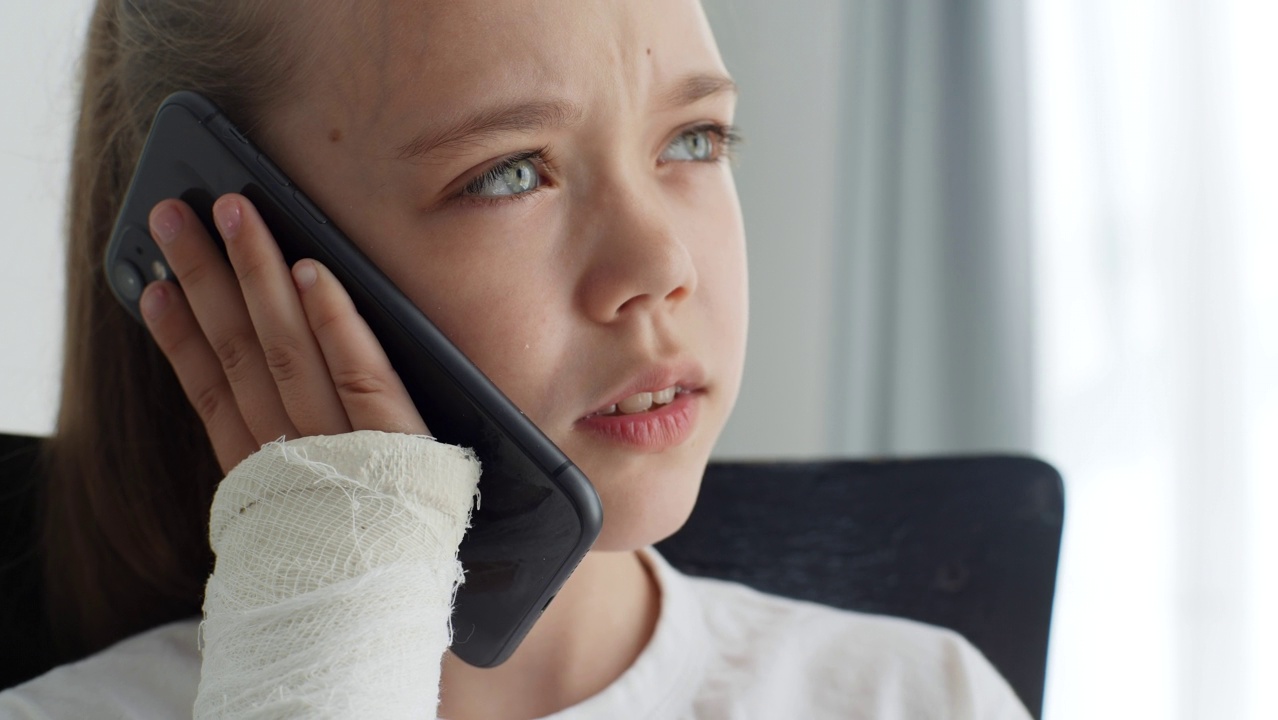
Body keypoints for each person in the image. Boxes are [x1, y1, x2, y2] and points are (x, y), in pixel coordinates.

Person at [0, 0, 1033, 718]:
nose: (659, 265)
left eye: (692, 140)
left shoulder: (921, 700)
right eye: (507, 175)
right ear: (238, 254)